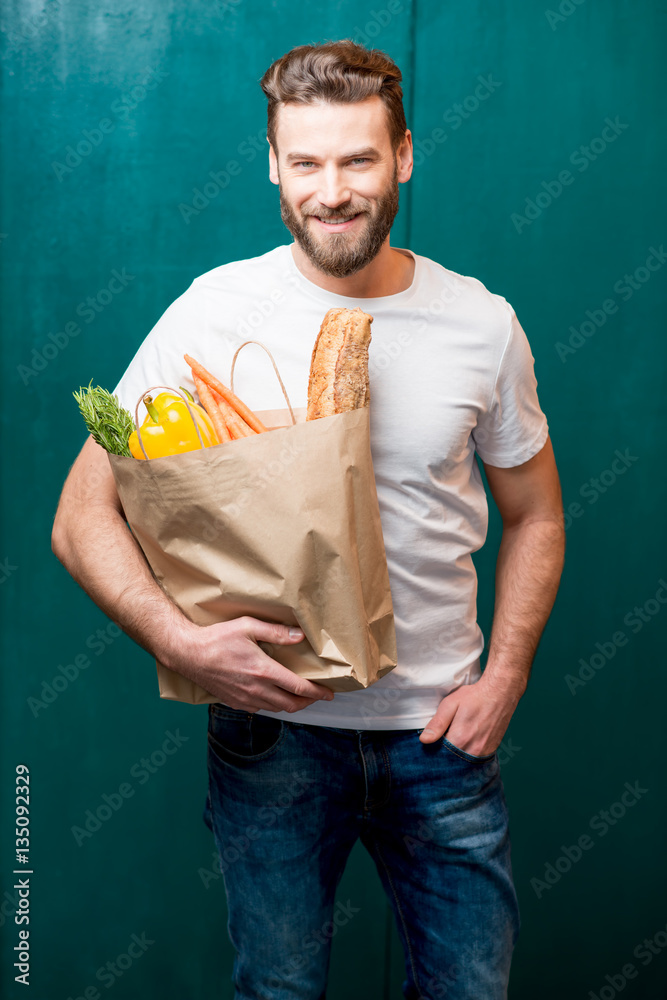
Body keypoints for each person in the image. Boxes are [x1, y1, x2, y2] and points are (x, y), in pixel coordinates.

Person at [52, 39, 565, 1000]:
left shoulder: (481, 323)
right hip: (271, 740)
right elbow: (81, 516)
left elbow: (535, 512)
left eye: (360, 160)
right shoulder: (212, 312)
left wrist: (507, 673)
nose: (333, 190)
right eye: (306, 163)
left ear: (404, 157)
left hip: (442, 739)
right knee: (279, 993)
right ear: (274, 166)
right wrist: (180, 642)